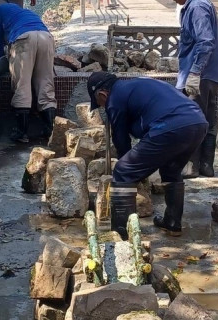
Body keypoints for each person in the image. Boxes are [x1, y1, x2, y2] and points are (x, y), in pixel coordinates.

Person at [88, 72, 208, 237]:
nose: (102, 107)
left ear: (102, 94)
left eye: (99, 104)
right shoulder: (135, 85)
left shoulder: (114, 99)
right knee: (171, 170)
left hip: (171, 126)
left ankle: (121, 232)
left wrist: (131, 167)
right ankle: (172, 223)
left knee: (123, 170)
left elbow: (120, 138)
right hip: (197, 123)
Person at [163, 0, 218, 177]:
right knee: (207, 120)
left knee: (191, 120)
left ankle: (191, 166)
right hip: (209, 74)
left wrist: (195, 73)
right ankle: (205, 166)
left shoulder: (197, 7)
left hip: (202, 75)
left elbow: (206, 42)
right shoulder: (198, 2)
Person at [0, 3, 57, 143]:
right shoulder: (24, 13)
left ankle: (22, 132)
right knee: (46, 83)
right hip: (46, 38)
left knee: (22, 84)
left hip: (24, 39)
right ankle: (50, 131)